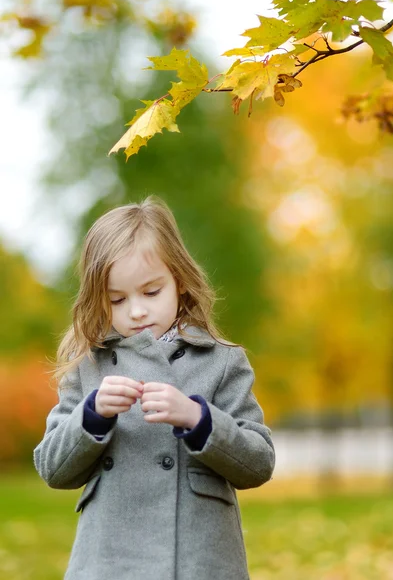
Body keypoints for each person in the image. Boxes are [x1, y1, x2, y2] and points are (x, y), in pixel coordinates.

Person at [34, 196, 275, 580]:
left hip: (198, 559)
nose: (136, 311)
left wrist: (200, 419)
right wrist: (92, 415)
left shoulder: (222, 361)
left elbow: (259, 463)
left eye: (151, 292)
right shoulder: (89, 366)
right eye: (117, 299)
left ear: (179, 280)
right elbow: (52, 468)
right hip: (108, 561)